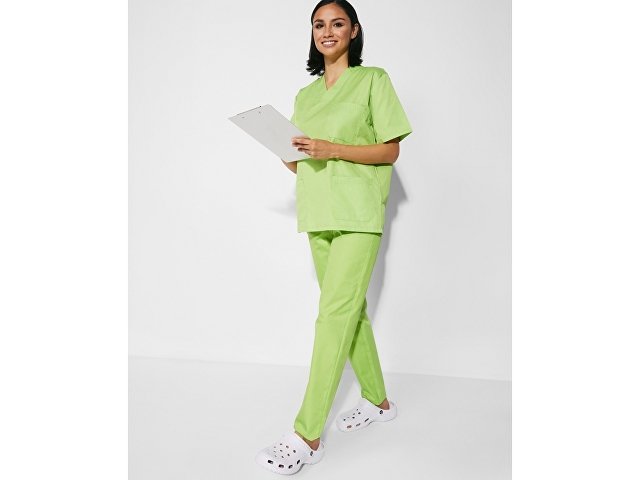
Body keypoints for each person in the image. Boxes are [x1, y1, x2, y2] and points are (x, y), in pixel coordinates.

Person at [255, 0, 412, 474]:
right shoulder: (305, 96)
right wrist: (284, 149)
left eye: (337, 23)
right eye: (319, 24)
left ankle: (307, 435)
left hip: (359, 213)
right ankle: (379, 402)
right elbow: (302, 163)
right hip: (318, 212)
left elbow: (390, 151)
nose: (327, 31)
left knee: (332, 316)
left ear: (353, 31)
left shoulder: (373, 80)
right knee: (350, 313)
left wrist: (330, 147)